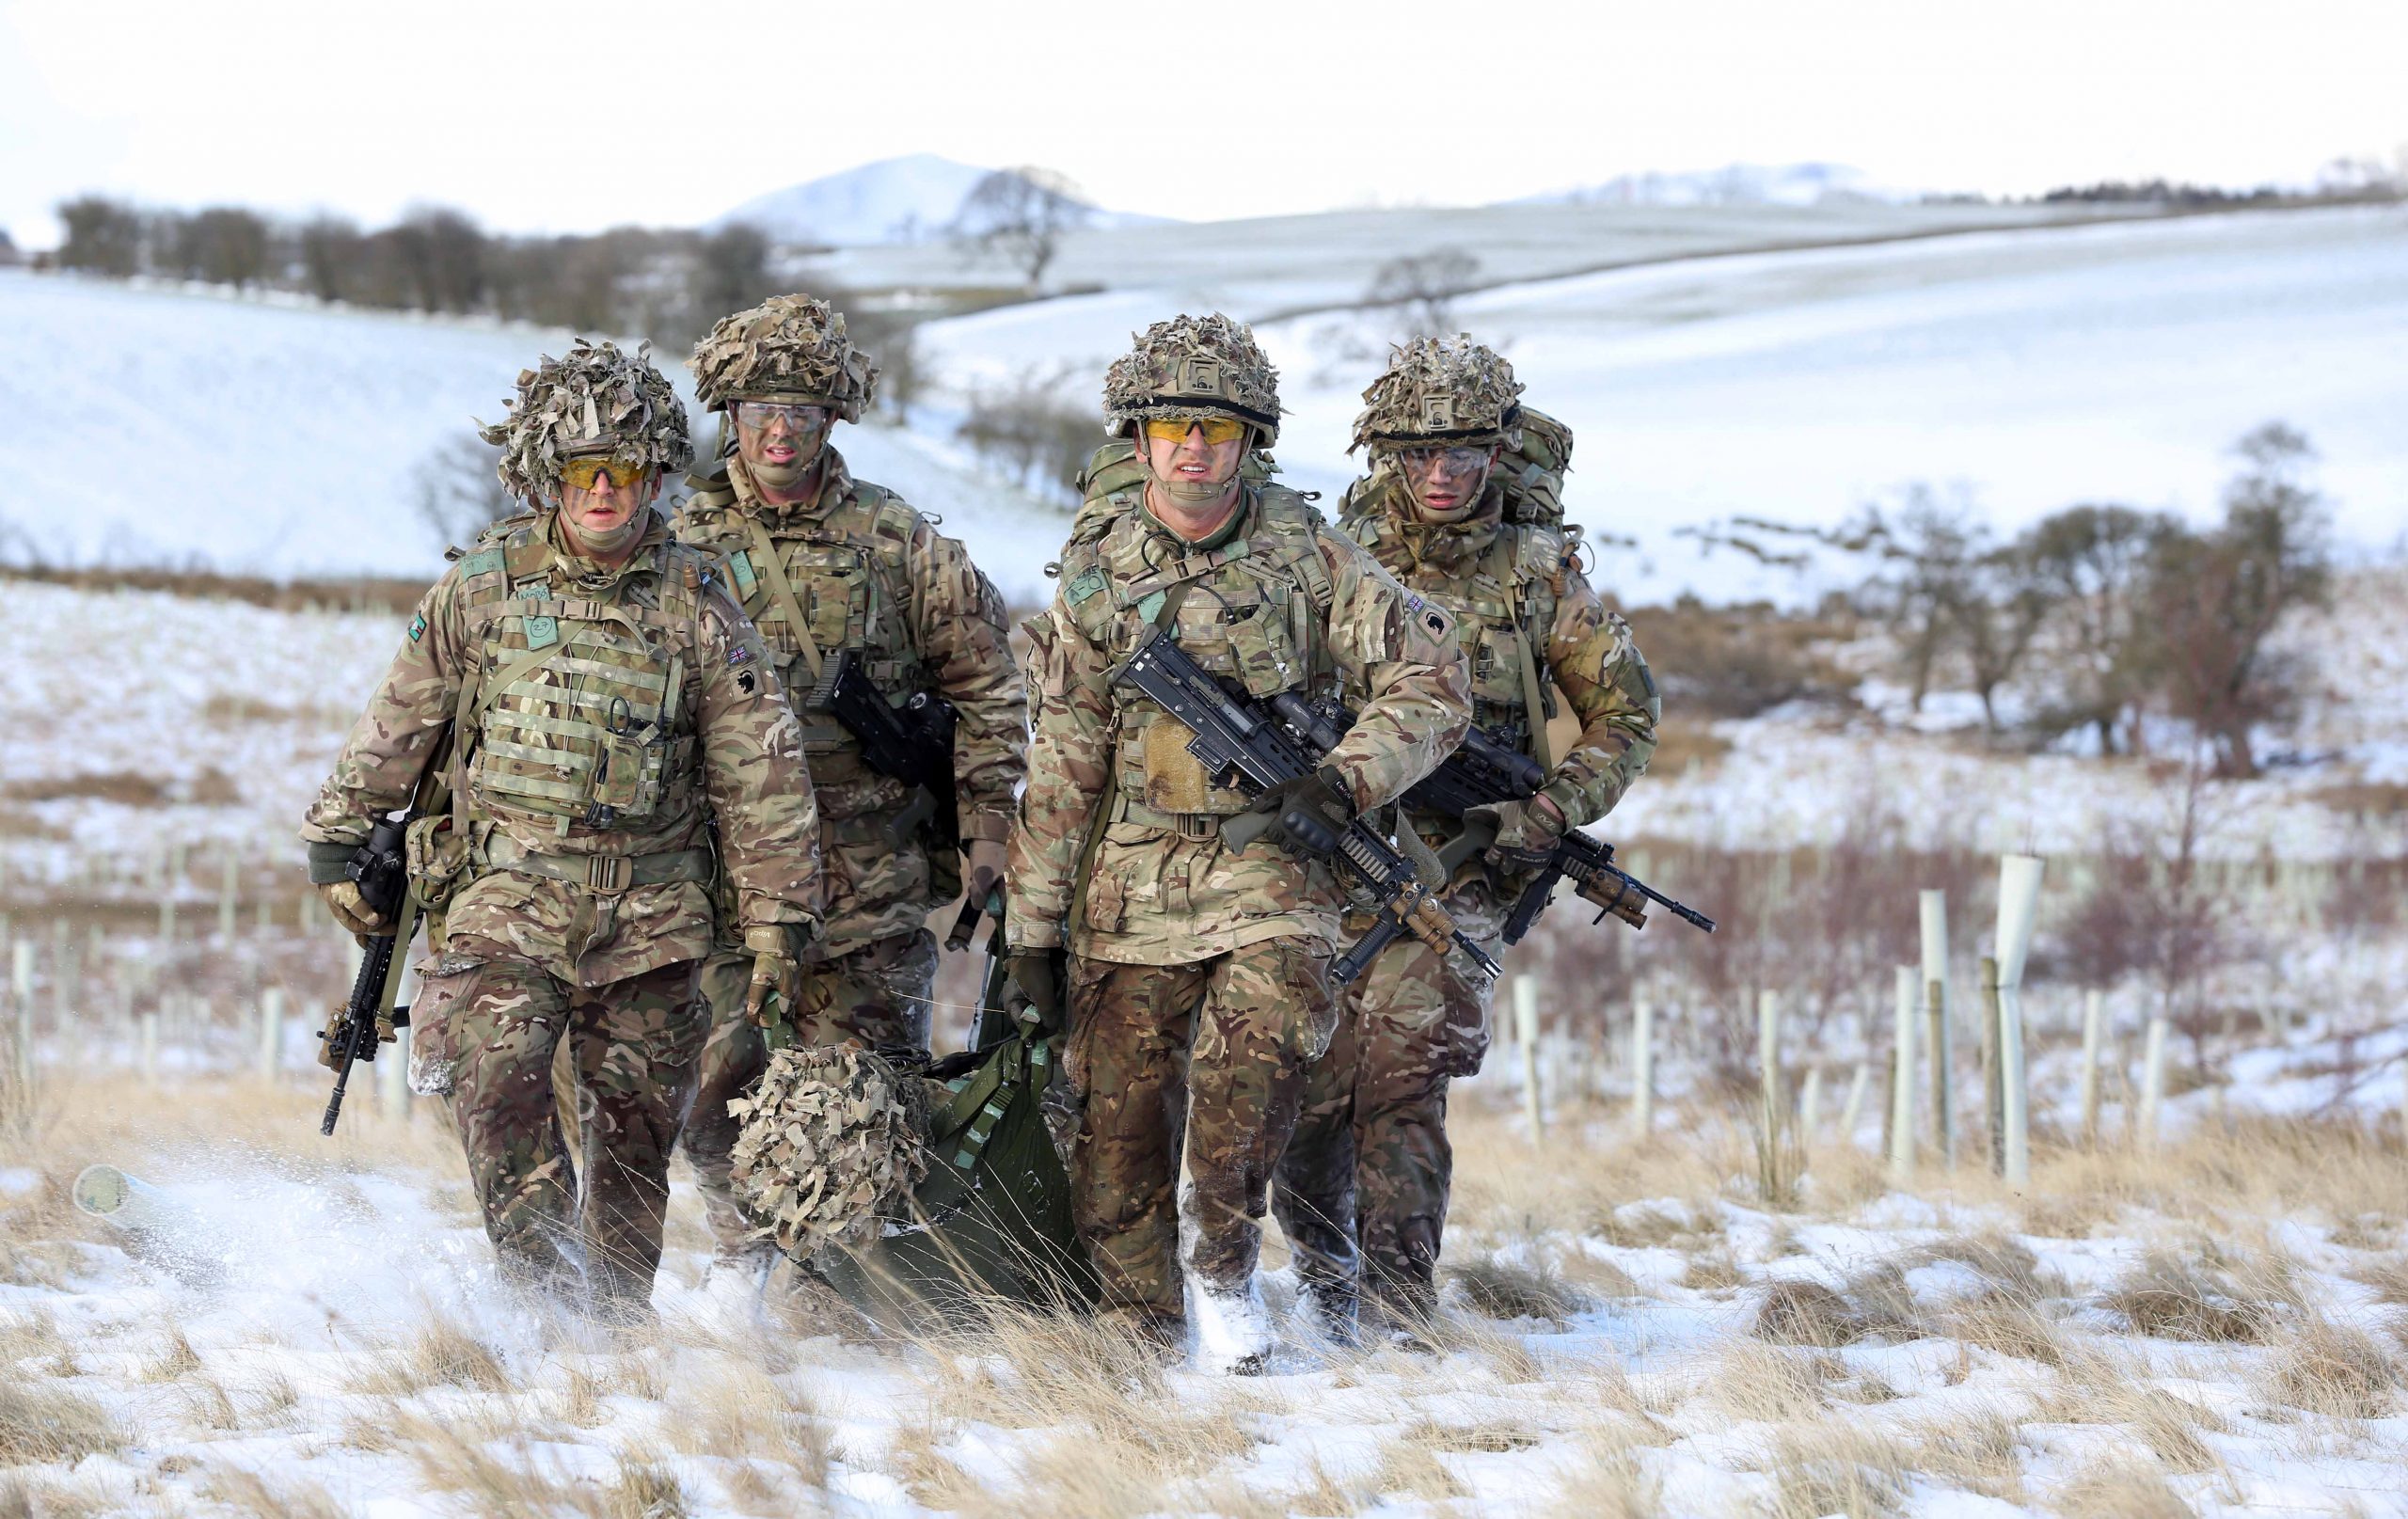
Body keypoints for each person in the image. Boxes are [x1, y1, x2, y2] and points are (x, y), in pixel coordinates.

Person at [301, 340, 821, 1319]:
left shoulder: (697, 600)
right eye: (582, 471)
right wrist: (338, 835)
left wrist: (777, 919)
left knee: (632, 1139)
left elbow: (762, 765)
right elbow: (400, 715)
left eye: (623, 472)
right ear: (548, 473)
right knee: (497, 1088)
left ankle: (611, 1336)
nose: (602, 493)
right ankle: (542, 1307)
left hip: (654, 917)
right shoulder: (486, 584)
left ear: (656, 479)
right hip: (505, 900)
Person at [1006, 313, 1472, 1369]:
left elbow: (1434, 684)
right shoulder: (1095, 572)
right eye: (1170, 425)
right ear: (1137, 441)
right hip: (1131, 873)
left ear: (1249, 440)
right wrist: (1032, 930)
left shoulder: (1310, 556)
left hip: (1269, 869)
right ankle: (1141, 1322)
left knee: (1253, 1066)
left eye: (1216, 427)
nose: (1192, 448)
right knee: (1114, 1118)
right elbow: (1067, 756)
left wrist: (1342, 782)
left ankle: (1223, 1267)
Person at [1271, 335, 1658, 1341]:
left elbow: (1626, 717)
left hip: (1462, 867)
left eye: (1463, 452)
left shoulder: (1537, 579)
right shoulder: (1326, 558)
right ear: (1383, 454)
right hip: (1329, 850)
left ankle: (1397, 1313)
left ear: (1498, 452)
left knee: (1400, 1078)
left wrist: (1550, 810)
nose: (1440, 474)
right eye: (1417, 453)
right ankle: (1326, 1285)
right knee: (1309, 1088)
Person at [672, 294, 1026, 1290]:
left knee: (864, 1096)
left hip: (866, 875)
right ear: (727, 416)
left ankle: (833, 1295)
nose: (778, 431)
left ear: (834, 415)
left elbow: (988, 690)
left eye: (800, 408)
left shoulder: (897, 542)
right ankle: (745, 1259)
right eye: (756, 410)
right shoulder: (676, 538)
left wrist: (988, 833)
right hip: (716, 877)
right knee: (708, 1090)